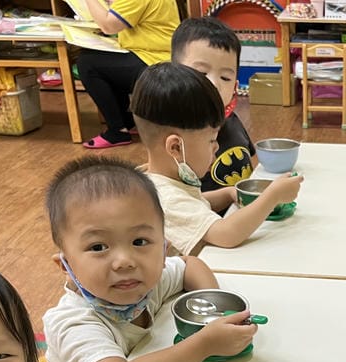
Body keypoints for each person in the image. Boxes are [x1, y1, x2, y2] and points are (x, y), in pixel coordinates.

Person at [42, 155, 257, 362]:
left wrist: (212, 310)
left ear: (164, 250)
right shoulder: (74, 322)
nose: (124, 262)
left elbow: (191, 265)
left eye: (139, 241)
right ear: (65, 265)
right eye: (98, 246)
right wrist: (205, 343)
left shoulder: (147, 282)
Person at [131, 62, 303, 255]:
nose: (217, 146)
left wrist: (228, 193)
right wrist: (273, 196)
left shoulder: (162, 180)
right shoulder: (165, 198)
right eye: (211, 140)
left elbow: (193, 205)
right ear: (176, 147)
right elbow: (227, 234)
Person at [171, 16, 258, 214]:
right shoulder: (175, 137)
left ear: (236, 83)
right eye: (202, 73)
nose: (214, 84)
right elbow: (177, 205)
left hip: (243, 217)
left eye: (225, 77)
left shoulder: (231, 120)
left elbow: (249, 164)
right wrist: (229, 195)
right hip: (208, 228)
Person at [77, 0, 180, 149]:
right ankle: (127, 122)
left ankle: (117, 131)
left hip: (154, 61)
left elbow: (108, 26)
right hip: (159, 55)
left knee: (87, 63)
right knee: (103, 61)